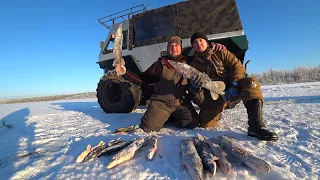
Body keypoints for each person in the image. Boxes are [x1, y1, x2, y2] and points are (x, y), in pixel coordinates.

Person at [188, 32, 279, 141]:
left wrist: (235, 84)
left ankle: (256, 126)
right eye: (195, 42)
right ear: (193, 46)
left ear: (206, 42)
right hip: (215, 98)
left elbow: (237, 66)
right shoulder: (193, 64)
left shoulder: (220, 51)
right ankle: (219, 111)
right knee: (205, 124)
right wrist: (195, 89)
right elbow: (198, 98)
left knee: (251, 83)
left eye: (200, 40)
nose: (198, 43)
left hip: (233, 91)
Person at [115, 36, 201, 132]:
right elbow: (142, 79)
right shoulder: (159, 64)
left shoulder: (188, 64)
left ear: (181, 48)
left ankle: (170, 117)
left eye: (176, 45)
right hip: (161, 104)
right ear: (167, 49)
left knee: (194, 122)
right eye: (171, 46)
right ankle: (162, 115)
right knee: (148, 127)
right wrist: (125, 73)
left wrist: (215, 47)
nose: (174, 48)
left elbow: (203, 56)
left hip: (180, 103)